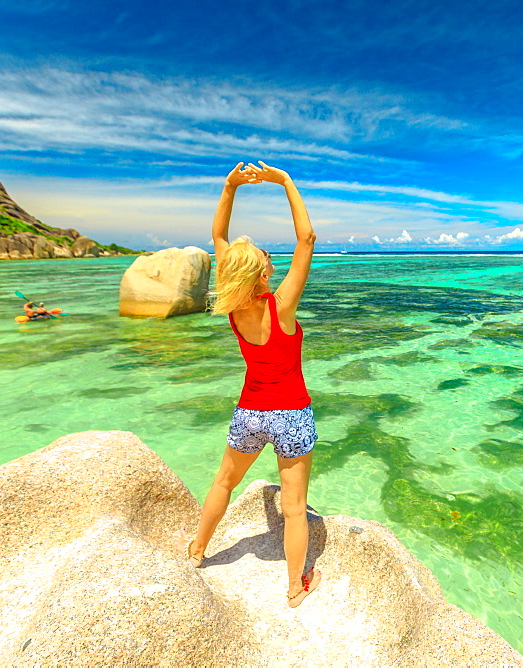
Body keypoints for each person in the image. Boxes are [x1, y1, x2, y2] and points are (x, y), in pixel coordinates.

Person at [187, 160, 320, 608]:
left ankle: (199, 550)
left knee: (223, 482)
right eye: (268, 260)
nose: (272, 261)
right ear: (262, 274)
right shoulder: (280, 306)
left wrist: (229, 186)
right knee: (295, 507)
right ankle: (294, 587)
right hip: (291, 415)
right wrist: (284, 181)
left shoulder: (233, 306)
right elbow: (307, 239)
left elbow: (220, 238)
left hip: (250, 413)